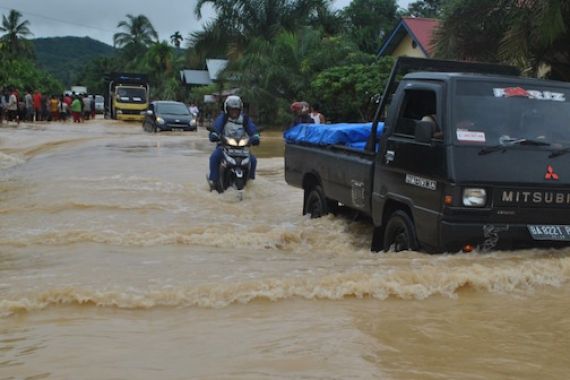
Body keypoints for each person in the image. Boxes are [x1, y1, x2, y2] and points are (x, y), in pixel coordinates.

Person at [207, 95, 260, 190]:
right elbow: (216, 128)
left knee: (253, 160)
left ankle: (250, 182)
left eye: (236, 109)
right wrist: (214, 134)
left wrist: (255, 136)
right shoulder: (222, 118)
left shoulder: (245, 119)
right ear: (227, 109)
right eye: (232, 109)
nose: (234, 112)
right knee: (214, 157)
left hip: (242, 148)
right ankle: (213, 181)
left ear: (240, 109)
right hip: (224, 146)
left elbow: (252, 130)